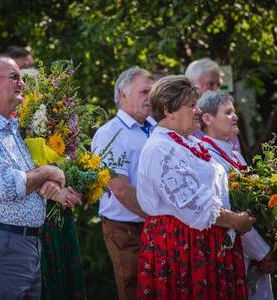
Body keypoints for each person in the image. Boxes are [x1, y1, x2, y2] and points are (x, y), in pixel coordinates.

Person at [0, 53, 80, 299]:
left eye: (21, 78)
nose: (21, 84)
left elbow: (28, 182)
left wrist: (50, 188)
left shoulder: (10, 128)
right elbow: (8, 186)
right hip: (0, 246)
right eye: (14, 77)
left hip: (26, 245)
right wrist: (48, 171)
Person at [136, 75, 256, 299]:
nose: (198, 111)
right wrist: (236, 220)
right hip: (182, 245)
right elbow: (194, 206)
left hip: (205, 239)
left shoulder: (189, 142)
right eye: (191, 105)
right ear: (169, 110)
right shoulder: (160, 149)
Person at [7, 48, 86, 299]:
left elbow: (73, 165)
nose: (33, 95)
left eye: (39, 90)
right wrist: (50, 190)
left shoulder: (57, 125)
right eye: (26, 90)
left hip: (60, 220)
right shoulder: (8, 130)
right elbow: (13, 175)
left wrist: (74, 190)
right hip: (31, 223)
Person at [198, 91, 277, 300]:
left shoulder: (234, 153)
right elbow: (232, 211)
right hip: (236, 252)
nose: (236, 117)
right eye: (228, 112)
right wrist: (261, 252)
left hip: (252, 252)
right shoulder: (206, 156)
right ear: (208, 119)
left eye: (234, 112)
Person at [91, 67, 155, 300]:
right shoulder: (110, 134)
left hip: (155, 223)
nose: (151, 96)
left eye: (153, 90)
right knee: (136, 290)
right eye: (144, 91)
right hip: (127, 230)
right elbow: (119, 188)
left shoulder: (156, 128)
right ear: (123, 95)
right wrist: (157, 215)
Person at [185, 57, 242, 152]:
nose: (216, 90)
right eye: (210, 84)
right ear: (191, 84)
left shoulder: (226, 121)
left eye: (218, 85)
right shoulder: (182, 122)